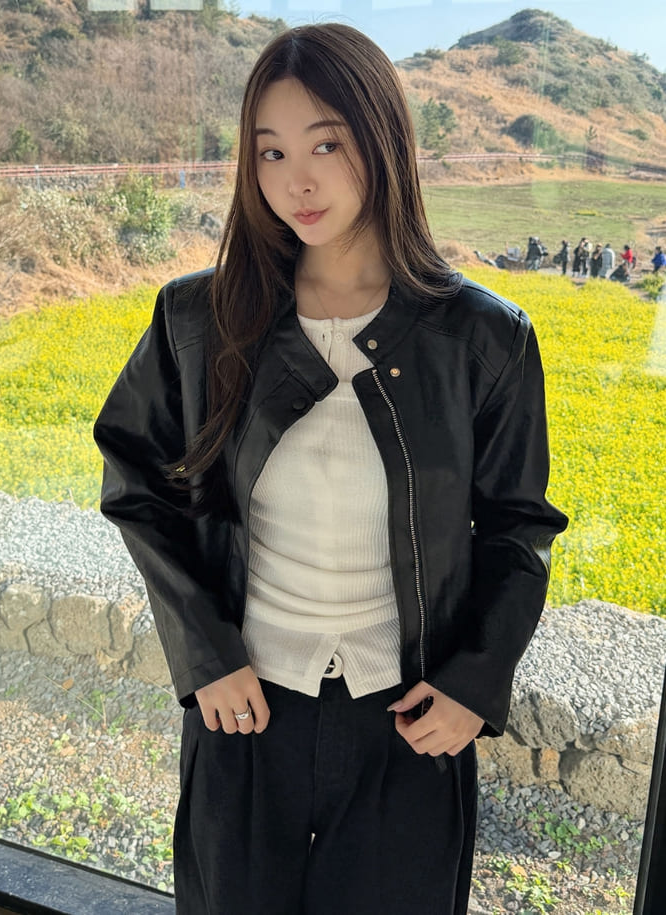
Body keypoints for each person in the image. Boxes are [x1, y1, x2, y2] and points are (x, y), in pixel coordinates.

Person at [94, 24, 568, 915]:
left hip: (409, 721)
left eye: (325, 144)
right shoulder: (200, 319)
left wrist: (474, 683)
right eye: (270, 151)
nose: (295, 181)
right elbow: (135, 483)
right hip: (244, 707)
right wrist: (205, 652)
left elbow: (519, 529)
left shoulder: (482, 338)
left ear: (383, 141)